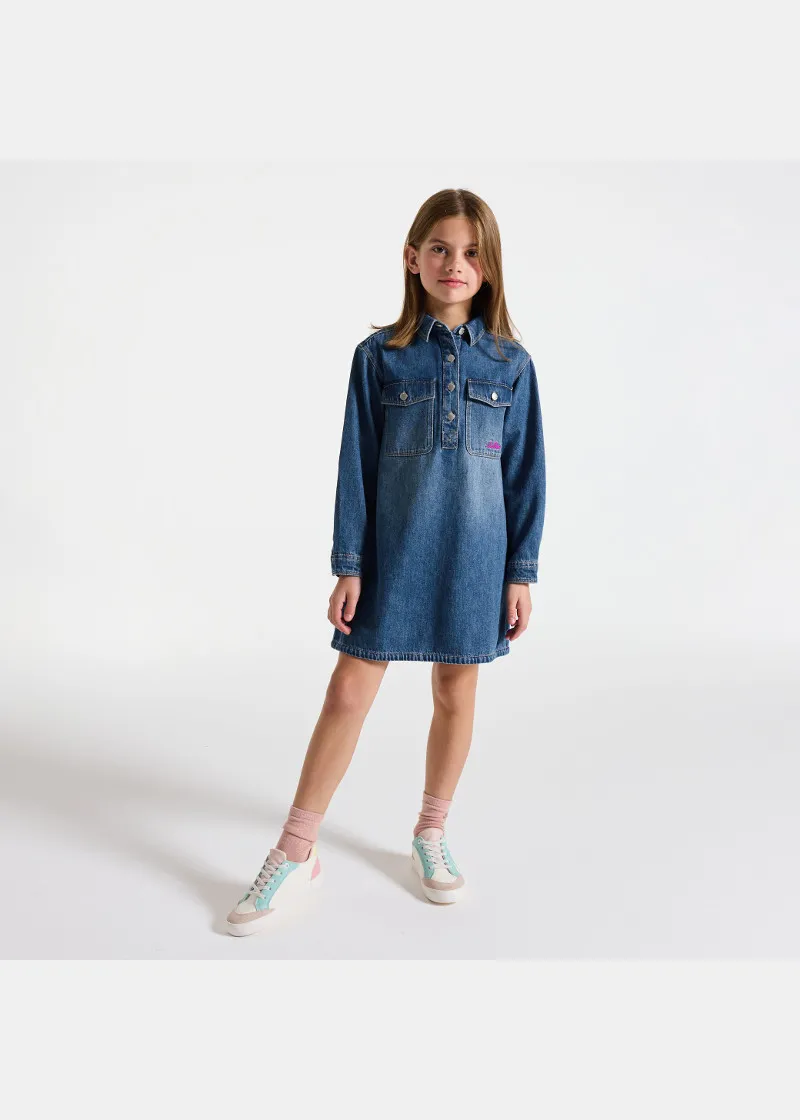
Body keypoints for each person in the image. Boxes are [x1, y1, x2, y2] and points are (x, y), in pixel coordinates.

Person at [226, 187, 546, 935]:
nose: (454, 263)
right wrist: (349, 562)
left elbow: (525, 473)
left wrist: (520, 572)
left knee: (456, 693)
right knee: (347, 692)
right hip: (392, 552)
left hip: (476, 556)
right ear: (412, 257)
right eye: (439, 248)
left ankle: (430, 831)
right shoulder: (380, 358)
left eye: (471, 253)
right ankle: (297, 847)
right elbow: (356, 465)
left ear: (491, 266)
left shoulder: (511, 363)